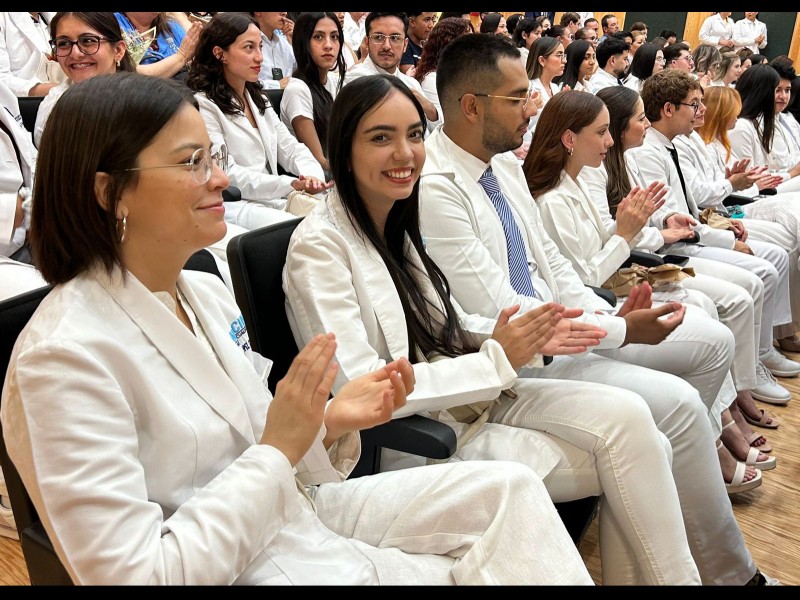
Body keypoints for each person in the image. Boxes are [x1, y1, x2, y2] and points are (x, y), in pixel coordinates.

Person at [0, 70, 599, 586]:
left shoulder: (202, 292)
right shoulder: (63, 357)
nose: (220, 180)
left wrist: (328, 420)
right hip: (235, 560)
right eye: (190, 163)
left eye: (213, 157)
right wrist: (280, 448)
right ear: (111, 192)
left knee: (510, 493)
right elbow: (138, 574)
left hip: (290, 510)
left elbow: (259, 437)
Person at [283, 73, 703, 586]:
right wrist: (495, 358)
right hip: (418, 435)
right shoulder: (320, 245)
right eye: (380, 137)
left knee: (633, 422)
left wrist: (522, 335)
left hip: (469, 393)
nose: (405, 153)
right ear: (343, 151)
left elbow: (445, 323)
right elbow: (361, 385)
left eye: (414, 134)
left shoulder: (393, 221)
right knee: (641, 453)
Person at [417, 32, 777, 586]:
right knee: (676, 409)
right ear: (471, 106)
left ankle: (715, 552)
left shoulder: (502, 164)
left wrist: (609, 317)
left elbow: (551, 267)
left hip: (567, 327)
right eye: (518, 98)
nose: (530, 109)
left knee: (686, 389)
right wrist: (617, 329)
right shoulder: (439, 186)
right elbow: (505, 307)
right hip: (520, 359)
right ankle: (729, 569)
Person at [529, 89, 775, 489]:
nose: (609, 141)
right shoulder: (554, 199)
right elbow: (585, 276)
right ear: (570, 139)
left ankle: (714, 430)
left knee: (707, 313)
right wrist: (627, 236)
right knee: (712, 335)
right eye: (601, 132)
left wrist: (635, 227)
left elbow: (602, 244)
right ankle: (710, 440)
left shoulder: (578, 181)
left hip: (605, 295)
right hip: (594, 305)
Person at [626, 70, 798, 391]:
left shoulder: (671, 145)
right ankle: (748, 377)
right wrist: (726, 238)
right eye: (694, 104)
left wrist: (721, 222)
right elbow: (675, 220)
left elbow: (689, 207)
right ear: (668, 109)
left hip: (692, 233)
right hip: (672, 249)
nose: (701, 109)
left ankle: (763, 352)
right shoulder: (649, 152)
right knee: (757, 275)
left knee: (771, 260)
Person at [186, 13, 330, 231]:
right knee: (308, 228)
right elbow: (227, 173)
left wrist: (312, 177)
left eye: (260, 47)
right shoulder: (204, 105)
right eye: (249, 48)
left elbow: (291, 148)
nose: (259, 57)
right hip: (236, 204)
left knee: (335, 213)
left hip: (274, 197)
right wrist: (289, 183)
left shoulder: (258, 98)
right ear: (219, 53)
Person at [700, 82, 800, 357]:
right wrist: (740, 183)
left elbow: (730, 181)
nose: (738, 114)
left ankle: (780, 333)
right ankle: (777, 338)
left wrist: (743, 181)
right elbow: (711, 193)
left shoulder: (721, 142)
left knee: (791, 224)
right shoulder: (710, 143)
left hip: (747, 198)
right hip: (738, 207)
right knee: (791, 210)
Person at [33, 12, 135, 148]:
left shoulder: (144, 102)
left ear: (118, 50)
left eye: (88, 41)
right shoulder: (53, 106)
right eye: (64, 43)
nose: (75, 54)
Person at [345, 13, 440, 132]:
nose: (386, 46)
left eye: (395, 38)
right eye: (378, 37)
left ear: (405, 45)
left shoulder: (412, 85)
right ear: (367, 42)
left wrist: (431, 110)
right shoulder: (354, 81)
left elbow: (431, 134)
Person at [279, 12, 346, 176]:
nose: (328, 45)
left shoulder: (335, 82)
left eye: (334, 37)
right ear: (303, 42)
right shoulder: (297, 89)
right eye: (318, 37)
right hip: (316, 181)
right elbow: (321, 161)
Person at [729, 64, 800, 195]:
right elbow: (751, 181)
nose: (782, 96)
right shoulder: (741, 127)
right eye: (777, 90)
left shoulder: (776, 120)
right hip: (755, 197)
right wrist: (792, 174)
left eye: (787, 90)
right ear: (761, 93)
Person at [414, 17, 474, 123]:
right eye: (466, 43)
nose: (473, 48)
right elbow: (439, 123)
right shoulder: (432, 79)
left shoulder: (468, 74)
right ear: (448, 45)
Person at [115, 12, 201, 81]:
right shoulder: (113, 24)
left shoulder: (172, 26)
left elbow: (197, 60)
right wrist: (181, 56)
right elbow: (130, 75)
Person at [0, 12, 63, 97]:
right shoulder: (3, 18)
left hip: (60, 97)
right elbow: (2, 80)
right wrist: (56, 90)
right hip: (20, 102)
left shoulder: (54, 18)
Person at [250, 12, 296, 90]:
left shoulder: (285, 41)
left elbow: (302, 72)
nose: (284, 13)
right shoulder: (245, 41)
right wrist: (277, 85)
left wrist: (296, 41)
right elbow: (244, 80)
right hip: (258, 95)